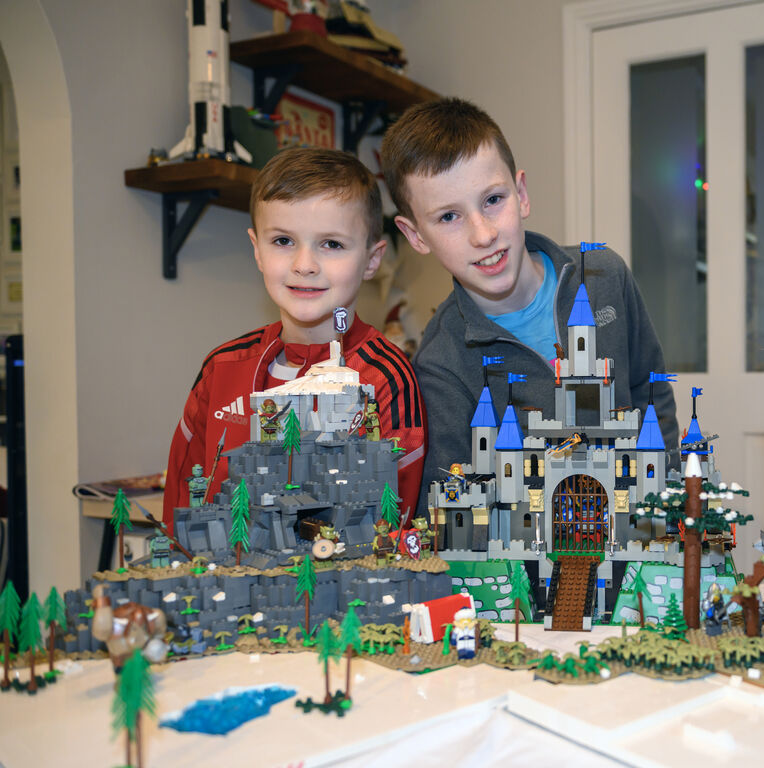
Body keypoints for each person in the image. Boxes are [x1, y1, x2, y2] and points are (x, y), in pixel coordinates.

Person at [380, 98, 678, 508]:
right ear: (415, 236)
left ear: (520, 194)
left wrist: (670, 503)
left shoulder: (604, 274)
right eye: (449, 217)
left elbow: (651, 391)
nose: (483, 235)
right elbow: (455, 499)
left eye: (492, 200)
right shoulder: (440, 363)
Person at [164, 148, 426, 527]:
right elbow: (181, 506)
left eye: (332, 244)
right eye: (283, 241)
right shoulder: (221, 368)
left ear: (372, 259)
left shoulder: (386, 380)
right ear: (256, 249)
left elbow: (391, 526)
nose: (304, 265)